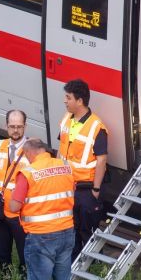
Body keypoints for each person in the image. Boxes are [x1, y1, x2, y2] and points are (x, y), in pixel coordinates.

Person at [9, 139, 75, 280]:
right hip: (66, 232)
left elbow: (14, 207)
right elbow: (70, 191)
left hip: (41, 236)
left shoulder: (28, 173)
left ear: (30, 153)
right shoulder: (64, 166)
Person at [58, 79, 107, 259]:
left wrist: (95, 189)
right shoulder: (66, 119)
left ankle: (93, 269)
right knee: (72, 231)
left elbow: (101, 161)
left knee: (88, 232)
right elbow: (61, 151)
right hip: (68, 187)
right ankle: (74, 267)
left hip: (86, 190)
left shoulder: (96, 127)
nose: (65, 101)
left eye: (68, 97)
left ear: (79, 101)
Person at [0, 110, 29, 280]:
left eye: (19, 127)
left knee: (25, 256)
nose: (16, 130)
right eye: (12, 126)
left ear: (25, 126)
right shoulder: (0, 146)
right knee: (1, 254)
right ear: (6, 126)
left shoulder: (31, 151)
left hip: (20, 214)